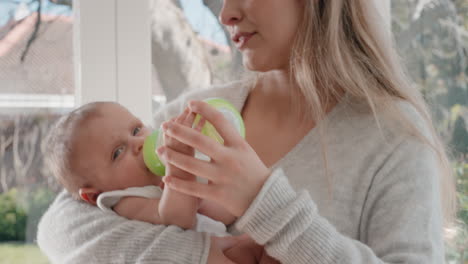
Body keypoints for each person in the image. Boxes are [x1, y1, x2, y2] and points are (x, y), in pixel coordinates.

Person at [37, 0, 456, 263]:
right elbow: (60, 227)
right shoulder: (193, 112)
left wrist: (264, 202)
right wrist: (200, 256)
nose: (226, 13)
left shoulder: (392, 136)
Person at [44, 101, 278, 264]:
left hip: (225, 245)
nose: (138, 143)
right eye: (117, 152)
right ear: (94, 195)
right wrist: (180, 169)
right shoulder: (123, 199)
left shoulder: (163, 175)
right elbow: (176, 219)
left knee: (269, 248)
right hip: (203, 254)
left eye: (136, 129)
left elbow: (222, 213)